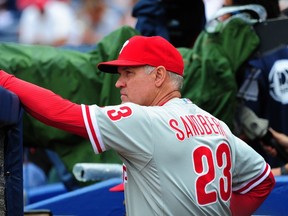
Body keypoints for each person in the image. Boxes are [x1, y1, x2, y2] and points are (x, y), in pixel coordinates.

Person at [0, 35, 275, 215]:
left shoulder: (147, 119)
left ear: (158, 75)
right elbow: (262, 181)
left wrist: (5, 80)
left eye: (128, 73)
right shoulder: (215, 124)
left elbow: (60, 113)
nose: (119, 83)